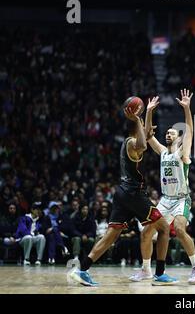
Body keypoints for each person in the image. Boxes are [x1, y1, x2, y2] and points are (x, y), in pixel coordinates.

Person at [69, 97, 177, 286]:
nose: (144, 124)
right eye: (141, 121)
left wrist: (149, 111)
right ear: (135, 124)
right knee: (164, 228)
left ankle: (82, 269)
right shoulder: (131, 143)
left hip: (123, 194)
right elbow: (144, 144)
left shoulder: (134, 138)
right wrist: (138, 119)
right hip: (134, 194)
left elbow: (148, 134)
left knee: (111, 234)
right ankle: (160, 274)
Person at [146, 89, 195, 283]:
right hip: (165, 199)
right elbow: (147, 136)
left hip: (181, 199)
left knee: (179, 229)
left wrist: (187, 109)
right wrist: (148, 112)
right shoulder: (163, 152)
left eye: (172, 133)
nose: (168, 135)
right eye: (167, 133)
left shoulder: (183, 152)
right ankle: (146, 269)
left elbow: (190, 128)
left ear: (179, 138)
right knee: (146, 231)